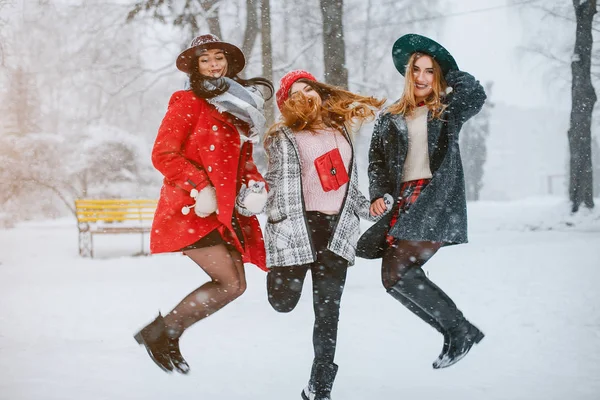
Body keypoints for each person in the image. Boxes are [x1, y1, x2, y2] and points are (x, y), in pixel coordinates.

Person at [133, 34, 274, 374]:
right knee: (230, 283)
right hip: (192, 209)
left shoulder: (238, 108)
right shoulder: (187, 101)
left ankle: (166, 332)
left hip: (223, 211)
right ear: (196, 66)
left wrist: (256, 186)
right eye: (206, 59)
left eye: (218, 58)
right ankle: (164, 332)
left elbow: (242, 160)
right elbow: (163, 154)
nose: (214, 64)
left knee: (236, 286)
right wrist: (200, 187)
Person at [357, 34, 487, 369]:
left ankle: (459, 330)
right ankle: (455, 331)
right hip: (403, 201)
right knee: (392, 277)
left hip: (435, 197)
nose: (422, 77)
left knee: (398, 271)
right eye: (417, 69)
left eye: (430, 71)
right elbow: (377, 163)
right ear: (407, 73)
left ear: (438, 77)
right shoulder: (389, 117)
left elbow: (475, 95)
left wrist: (452, 72)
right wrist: (377, 195)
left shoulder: (447, 112)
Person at [263, 70, 390, 400]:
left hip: (337, 234)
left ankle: (319, 387)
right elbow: (272, 183)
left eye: (310, 88)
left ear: (321, 93)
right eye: (296, 93)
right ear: (288, 104)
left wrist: (370, 207)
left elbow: (349, 191)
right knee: (282, 303)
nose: (306, 95)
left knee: (328, 312)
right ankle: (279, 278)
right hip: (297, 231)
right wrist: (254, 200)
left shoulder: (341, 133)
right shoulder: (284, 137)